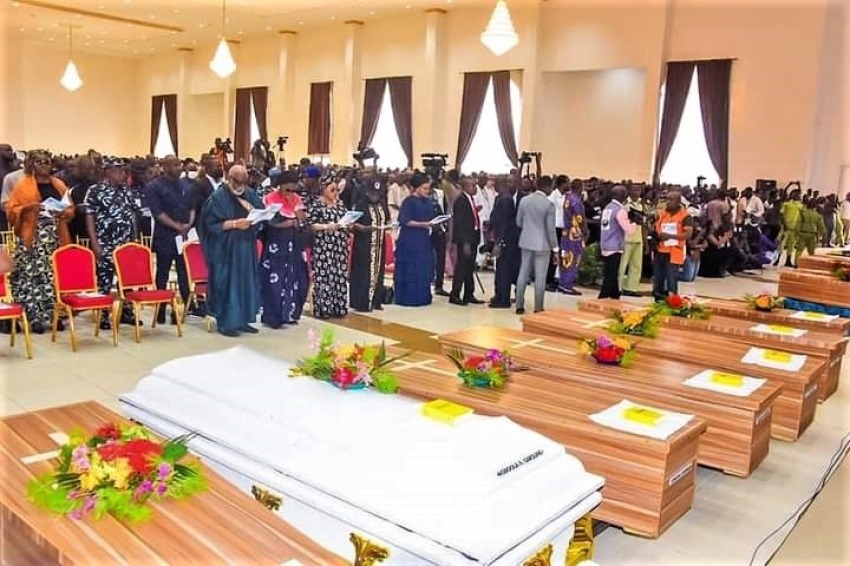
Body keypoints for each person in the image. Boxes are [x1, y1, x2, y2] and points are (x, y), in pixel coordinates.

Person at [5, 150, 73, 334]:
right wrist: (28, 208)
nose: (44, 165)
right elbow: (11, 210)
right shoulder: (23, 186)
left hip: (54, 236)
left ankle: (52, 315)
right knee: (30, 277)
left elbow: (70, 208)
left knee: (51, 277)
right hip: (31, 237)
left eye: (47, 162)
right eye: (39, 162)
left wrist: (63, 213)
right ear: (31, 165)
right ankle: (32, 317)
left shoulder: (59, 184)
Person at [198, 164, 262, 337]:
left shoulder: (249, 194)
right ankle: (225, 322)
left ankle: (243, 320)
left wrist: (258, 217)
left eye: (244, 182)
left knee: (245, 282)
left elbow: (260, 211)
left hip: (245, 246)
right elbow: (209, 224)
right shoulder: (217, 197)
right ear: (229, 178)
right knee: (227, 283)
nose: (240, 185)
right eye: (237, 181)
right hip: (225, 248)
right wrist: (234, 224)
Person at [85, 157, 141, 329]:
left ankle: (127, 312)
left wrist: (135, 238)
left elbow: (133, 214)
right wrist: (95, 243)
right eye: (117, 170)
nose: (121, 174)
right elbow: (89, 216)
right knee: (104, 280)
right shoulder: (95, 191)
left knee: (127, 280)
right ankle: (103, 315)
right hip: (105, 242)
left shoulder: (127, 190)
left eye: (123, 170)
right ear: (107, 171)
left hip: (125, 243)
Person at [259, 169, 309, 328]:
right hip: (276, 244)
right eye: (287, 189)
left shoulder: (297, 199)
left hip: (293, 244)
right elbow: (268, 222)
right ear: (280, 186)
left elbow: (302, 220)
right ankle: (274, 316)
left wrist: (295, 210)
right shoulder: (269, 198)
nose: (290, 192)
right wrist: (288, 222)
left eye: (293, 189)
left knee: (295, 279)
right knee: (275, 280)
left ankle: (290, 313)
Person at [147, 155, 193, 320]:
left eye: (179, 164)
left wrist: (188, 225)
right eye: (175, 165)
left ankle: (187, 307)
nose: (179, 167)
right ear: (165, 167)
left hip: (184, 236)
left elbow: (191, 206)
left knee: (184, 272)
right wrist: (178, 227)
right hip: (165, 236)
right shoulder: (154, 186)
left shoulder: (185, 185)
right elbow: (158, 213)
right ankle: (160, 308)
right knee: (162, 274)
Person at [307, 175, 349, 319]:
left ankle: (338, 307)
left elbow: (345, 218)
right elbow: (310, 225)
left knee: (339, 274)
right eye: (332, 190)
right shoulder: (317, 204)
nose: (335, 193)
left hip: (339, 244)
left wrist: (348, 223)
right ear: (323, 189)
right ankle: (323, 307)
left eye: (337, 190)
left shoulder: (340, 204)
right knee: (324, 275)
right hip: (324, 244)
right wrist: (327, 226)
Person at [515, 176, 558, 315]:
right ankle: (538, 307)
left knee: (523, 273)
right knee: (540, 276)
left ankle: (519, 305)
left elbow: (518, 222)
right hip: (543, 244)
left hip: (526, 241)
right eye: (551, 187)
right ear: (546, 187)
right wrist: (555, 248)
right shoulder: (549, 205)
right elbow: (551, 230)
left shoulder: (524, 200)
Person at [394, 172, 436, 307]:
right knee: (411, 267)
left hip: (423, 238)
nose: (426, 191)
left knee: (423, 267)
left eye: (428, 188)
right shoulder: (409, 201)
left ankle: (422, 295)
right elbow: (404, 220)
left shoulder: (427, 201)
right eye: (424, 188)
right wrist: (421, 224)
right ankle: (408, 297)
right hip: (410, 238)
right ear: (416, 188)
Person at [350, 183, 391, 312]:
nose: (375, 197)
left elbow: (387, 220)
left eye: (378, 194)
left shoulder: (382, 205)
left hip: (379, 243)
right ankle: (362, 302)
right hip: (364, 244)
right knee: (364, 272)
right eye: (373, 194)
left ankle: (376, 300)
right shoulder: (360, 205)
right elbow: (353, 223)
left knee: (378, 271)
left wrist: (389, 226)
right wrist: (363, 228)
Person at [448, 176, 483, 306]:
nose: (475, 188)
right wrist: (465, 242)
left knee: (469, 268)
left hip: (473, 237)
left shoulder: (470, 199)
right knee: (462, 268)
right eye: (472, 186)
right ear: (464, 186)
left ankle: (469, 294)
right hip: (465, 240)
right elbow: (460, 224)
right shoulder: (461, 201)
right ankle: (455, 294)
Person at [652, 189, 693, 299]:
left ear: (678, 201)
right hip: (660, 250)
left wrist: (670, 236)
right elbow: (656, 228)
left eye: (671, 200)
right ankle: (658, 301)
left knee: (671, 280)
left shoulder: (686, 216)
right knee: (658, 279)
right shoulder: (662, 214)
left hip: (674, 252)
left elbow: (688, 235)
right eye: (667, 199)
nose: (668, 202)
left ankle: (672, 302)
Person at [489, 177, 522, 309]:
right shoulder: (503, 198)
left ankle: (503, 299)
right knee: (502, 269)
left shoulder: (505, 200)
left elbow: (503, 224)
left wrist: (499, 243)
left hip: (506, 240)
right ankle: (500, 295)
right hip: (509, 239)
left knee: (503, 270)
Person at [598, 185, 635, 299]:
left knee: (611, 274)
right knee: (610, 276)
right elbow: (628, 230)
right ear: (623, 196)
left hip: (605, 244)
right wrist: (634, 224)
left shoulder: (607, 208)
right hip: (615, 246)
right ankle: (601, 299)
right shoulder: (620, 210)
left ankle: (615, 297)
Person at [558, 178, 587, 296]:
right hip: (574, 234)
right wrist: (585, 231)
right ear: (580, 188)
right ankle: (568, 285)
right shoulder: (576, 201)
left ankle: (562, 283)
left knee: (565, 258)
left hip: (566, 232)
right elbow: (580, 219)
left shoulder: (567, 198)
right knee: (573, 259)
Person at [779, 188, 803, 267]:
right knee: (781, 245)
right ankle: (776, 259)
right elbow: (781, 214)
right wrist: (784, 224)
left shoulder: (800, 206)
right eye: (795, 194)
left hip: (794, 229)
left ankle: (788, 260)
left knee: (791, 246)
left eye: (798, 194)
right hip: (786, 228)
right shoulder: (786, 204)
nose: (797, 196)